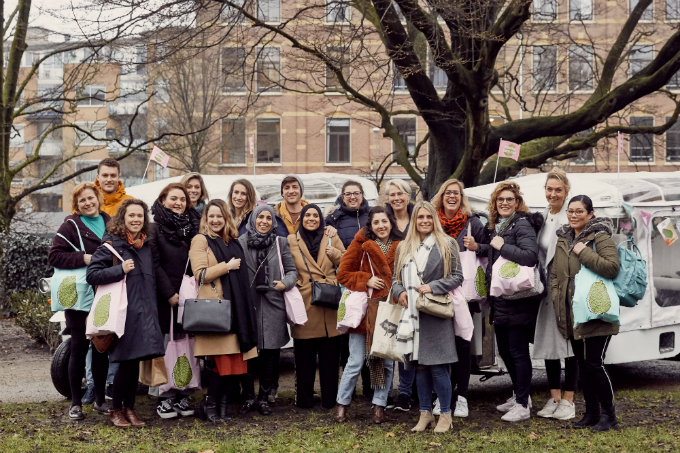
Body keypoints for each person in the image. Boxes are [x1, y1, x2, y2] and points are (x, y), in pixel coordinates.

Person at [86, 199, 166, 428]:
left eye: (140, 216)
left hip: (145, 313)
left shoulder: (147, 246)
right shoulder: (111, 245)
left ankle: (129, 408)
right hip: (124, 314)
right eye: (131, 216)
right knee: (126, 363)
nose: (136, 220)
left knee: (135, 364)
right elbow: (92, 275)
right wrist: (119, 270)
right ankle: (115, 410)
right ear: (122, 218)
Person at [468, 182, 543, 422]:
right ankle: (521, 395)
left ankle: (522, 405)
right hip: (500, 298)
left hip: (518, 298)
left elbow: (530, 257)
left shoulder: (522, 224)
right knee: (506, 352)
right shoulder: (499, 226)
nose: (504, 203)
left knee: (518, 352)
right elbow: (494, 252)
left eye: (509, 199)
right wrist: (478, 246)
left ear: (517, 202)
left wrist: (504, 245)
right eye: (500, 199)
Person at [392, 201, 463, 434]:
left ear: (435, 219)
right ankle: (425, 414)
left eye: (428, 217)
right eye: (420, 217)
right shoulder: (403, 247)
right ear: (414, 220)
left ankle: (445, 414)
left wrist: (433, 286)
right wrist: (399, 291)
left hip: (435, 312)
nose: (424, 221)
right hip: (410, 315)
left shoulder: (447, 243)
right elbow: (395, 280)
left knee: (438, 367)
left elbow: (457, 277)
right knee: (419, 367)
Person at [552, 195, 620, 432]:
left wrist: (583, 251)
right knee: (582, 364)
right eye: (570, 211)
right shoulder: (563, 239)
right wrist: (555, 297)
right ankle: (591, 413)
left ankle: (609, 415)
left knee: (594, 363)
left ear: (590, 214)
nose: (573, 215)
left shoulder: (599, 236)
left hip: (596, 310)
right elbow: (555, 274)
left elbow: (612, 267)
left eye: (579, 211)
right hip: (573, 314)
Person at [189, 200, 259, 423]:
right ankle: (210, 405)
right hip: (217, 311)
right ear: (205, 218)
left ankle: (219, 406)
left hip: (236, 311)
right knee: (223, 363)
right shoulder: (201, 240)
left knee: (236, 364)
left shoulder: (233, 241)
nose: (215, 220)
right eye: (211, 216)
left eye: (220, 216)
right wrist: (225, 267)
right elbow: (199, 274)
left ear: (226, 218)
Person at [47, 183, 112, 420]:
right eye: (82, 200)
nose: (88, 203)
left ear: (98, 198)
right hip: (79, 297)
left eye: (91, 198)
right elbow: (54, 255)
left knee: (102, 348)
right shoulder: (71, 226)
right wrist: (83, 257)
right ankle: (76, 403)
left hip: (105, 292)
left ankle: (100, 400)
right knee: (78, 347)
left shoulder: (111, 223)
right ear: (77, 204)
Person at [334, 206, 403, 424]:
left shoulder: (402, 245)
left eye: (385, 221)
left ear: (391, 222)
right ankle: (342, 404)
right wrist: (366, 280)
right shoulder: (360, 244)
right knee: (355, 361)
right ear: (370, 226)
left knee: (387, 360)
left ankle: (380, 405)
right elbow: (342, 274)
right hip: (366, 311)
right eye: (376, 223)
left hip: (391, 310)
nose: (381, 226)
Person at [431, 179, 489, 419]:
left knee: (463, 347)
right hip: (438, 292)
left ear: (461, 197)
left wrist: (477, 246)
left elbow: (488, 249)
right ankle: (443, 396)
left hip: (465, 295)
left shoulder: (472, 222)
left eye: (456, 193)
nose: (452, 196)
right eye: (448, 192)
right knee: (442, 347)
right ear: (441, 196)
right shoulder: (432, 221)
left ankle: (463, 396)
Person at [238, 205, 298, 415]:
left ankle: (263, 398)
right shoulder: (241, 242)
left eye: (269, 218)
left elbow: (292, 271)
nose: (264, 221)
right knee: (248, 353)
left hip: (273, 304)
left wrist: (284, 283)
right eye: (260, 217)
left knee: (270, 355)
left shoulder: (280, 242)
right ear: (253, 219)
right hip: (248, 305)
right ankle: (247, 397)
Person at [150, 183, 201, 419]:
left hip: (189, 296)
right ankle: (165, 396)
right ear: (162, 200)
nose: (179, 203)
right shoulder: (155, 229)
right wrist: (170, 293)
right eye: (173, 198)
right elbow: (155, 264)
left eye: (182, 199)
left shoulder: (193, 228)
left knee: (188, 345)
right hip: (166, 297)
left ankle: (183, 393)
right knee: (167, 345)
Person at [288, 204, 346, 409]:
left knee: (330, 360)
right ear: (301, 218)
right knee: (304, 359)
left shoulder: (331, 237)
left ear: (321, 219)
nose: (311, 218)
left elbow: (346, 263)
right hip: (304, 305)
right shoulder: (290, 240)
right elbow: (286, 267)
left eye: (315, 215)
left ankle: (330, 400)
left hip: (329, 303)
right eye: (307, 215)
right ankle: (303, 401)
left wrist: (335, 255)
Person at [533, 169, 578, 420]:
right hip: (545, 289)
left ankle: (569, 401)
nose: (553, 193)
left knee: (569, 344)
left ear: (566, 192)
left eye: (558, 189)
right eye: (549, 189)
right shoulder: (541, 217)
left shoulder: (571, 216)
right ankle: (554, 397)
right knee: (549, 343)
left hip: (566, 289)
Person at [383, 179, 415, 411]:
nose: (396, 198)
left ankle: (405, 393)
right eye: (392, 194)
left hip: (414, 285)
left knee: (408, 341)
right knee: (388, 340)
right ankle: (384, 393)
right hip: (388, 286)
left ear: (408, 195)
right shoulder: (383, 219)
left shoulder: (418, 217)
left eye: (400, 193)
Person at [325, 180, 370, 249]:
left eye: (356, 193)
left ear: (362, 195)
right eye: (348, 194)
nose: (352, 197)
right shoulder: (333, 218)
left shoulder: (373, 215)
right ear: (343, 197)